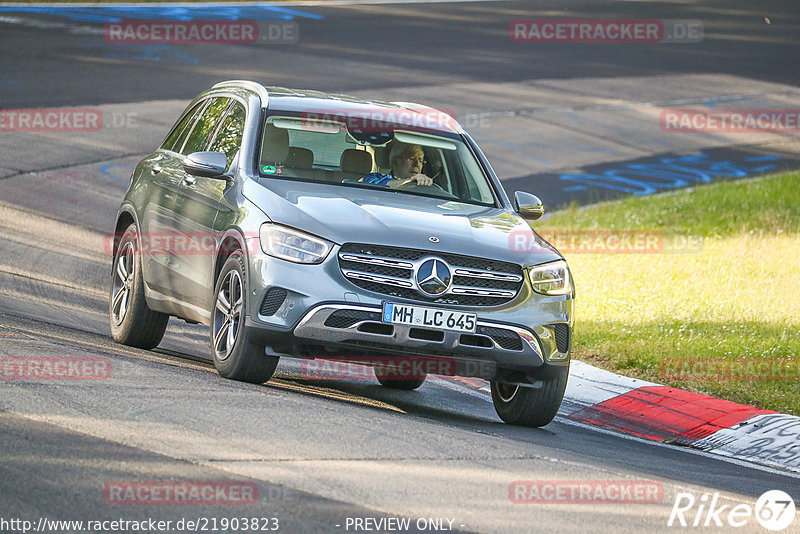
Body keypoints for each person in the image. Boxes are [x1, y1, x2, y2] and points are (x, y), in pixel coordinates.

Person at [359, 141, 434, 188]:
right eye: (411, 158)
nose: (417, 164)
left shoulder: (424, 186)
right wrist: (408, 181)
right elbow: (383, 185)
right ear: (395, 161)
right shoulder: (373, 178)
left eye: (420, 160)